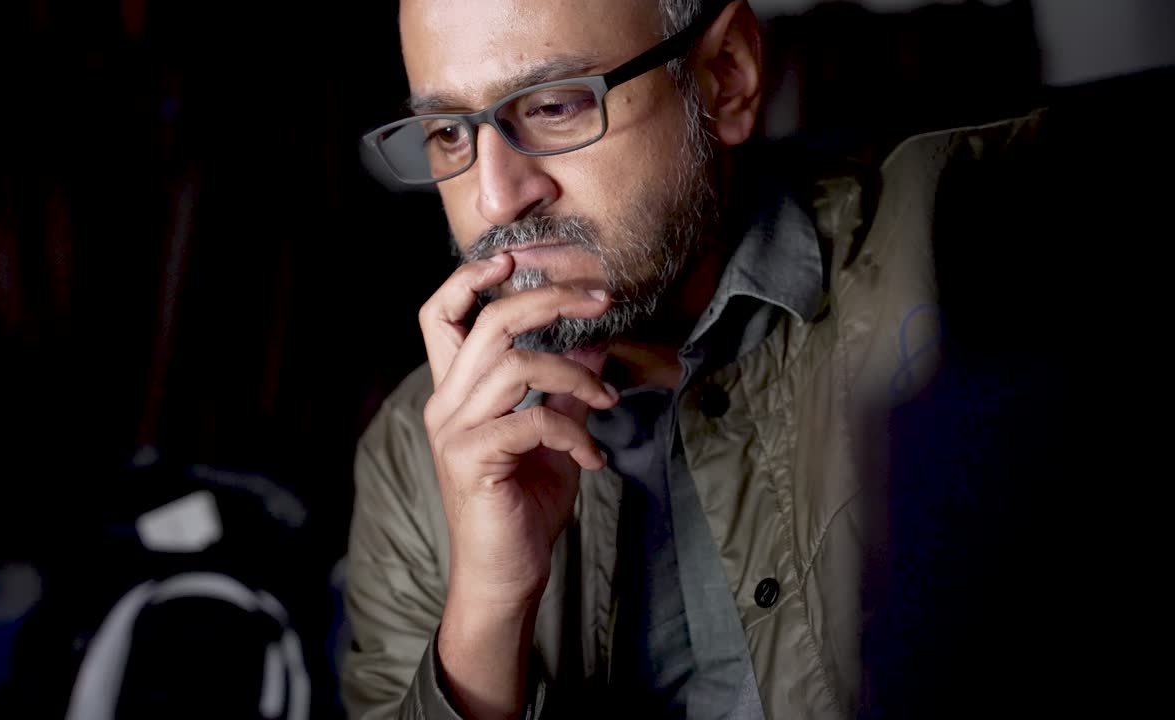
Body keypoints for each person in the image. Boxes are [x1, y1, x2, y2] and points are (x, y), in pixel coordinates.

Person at [339, 0, 1168, 718]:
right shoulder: (421, 453)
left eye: (554, 106)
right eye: (450, 132)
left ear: (725, 77)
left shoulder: (983, 233)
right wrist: (487, 612)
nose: (494, 196)